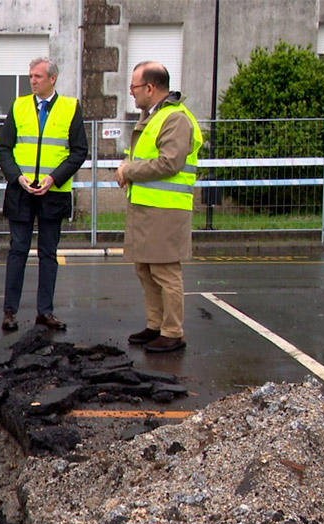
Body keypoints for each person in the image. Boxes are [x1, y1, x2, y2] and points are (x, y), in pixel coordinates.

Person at [115, 61, 202, 353]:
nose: (132, 93)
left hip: (166, 209)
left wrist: (129, 171)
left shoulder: (175, 118)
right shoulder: (154, 117)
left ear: (150, 88)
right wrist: (128, 169)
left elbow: (169, 162)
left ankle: (172, 331)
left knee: (165, 270)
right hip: (147, 207)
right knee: (146, 268)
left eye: (134, 87)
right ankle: (156, 325)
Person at [0, 56, 89, 332]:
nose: (33, 81)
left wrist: (53, 178)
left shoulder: (70, 107)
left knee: (49, 253)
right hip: (22, 190)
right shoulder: (19, 105)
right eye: (31, 76)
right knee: (18, 251)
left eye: (38, 76)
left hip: (54, 192)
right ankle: (9, 311)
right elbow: (3, 148)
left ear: (52, 78)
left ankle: (45, 312)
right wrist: (17, 177)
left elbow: (79, 151)